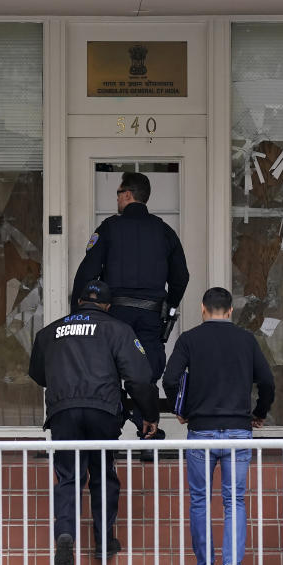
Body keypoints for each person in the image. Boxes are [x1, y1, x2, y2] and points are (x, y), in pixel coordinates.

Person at [29, 279, 160, 565]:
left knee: (67, 476)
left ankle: (65, 533)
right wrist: (149, 416)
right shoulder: (117, 329)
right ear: (108, 305)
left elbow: (38, 374)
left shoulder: (49, 332)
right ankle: (103, 540)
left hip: (63, 411)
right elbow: (139, 379)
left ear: (78, 303)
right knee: (103, 473)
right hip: (103, 410)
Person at [163, 287, 275, 565]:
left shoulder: (189, 339)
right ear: (229, 311)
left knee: (200, 500)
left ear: (203, 308)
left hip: (201, 431)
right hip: (239, 430)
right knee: (234, 501)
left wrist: (182, 409)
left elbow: (170, 379)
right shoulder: (246, 340)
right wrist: (259, 412)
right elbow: (267, 380)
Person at [72, 171, 190, 452]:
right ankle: (148, 431)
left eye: (117, 193)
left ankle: (108, 435)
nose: (116, 197)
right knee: (145, 373)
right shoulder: (164, 231)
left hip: (114, 316)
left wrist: (79, 310)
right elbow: (181, 277)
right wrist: (169, 310)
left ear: (127, 195)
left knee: (108, 372)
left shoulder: (109, 228)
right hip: (151, 316)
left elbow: (87, 273)